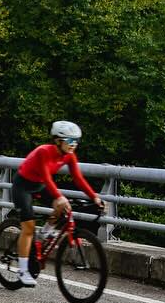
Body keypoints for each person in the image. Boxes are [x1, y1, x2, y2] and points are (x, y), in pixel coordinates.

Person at [11, 120, 105, 287]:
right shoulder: (43, 152)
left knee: (62, 207)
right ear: (58, 140)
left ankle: (45, 233)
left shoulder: (69, 156)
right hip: (23, 186)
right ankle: (23, 271)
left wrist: (94, 196)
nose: (73, 145)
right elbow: (47, 177)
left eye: (76, 141)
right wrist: (59, 196)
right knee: (28, 227)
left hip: (39, 185)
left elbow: (78, 178)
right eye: (70, 141)